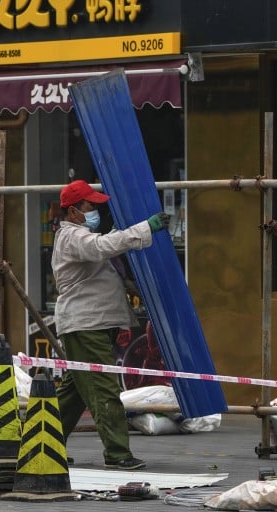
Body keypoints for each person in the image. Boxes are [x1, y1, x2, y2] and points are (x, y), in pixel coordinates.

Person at [52, 179, 169, 471]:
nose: (95, 211)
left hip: (94, 324)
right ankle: (117, 454)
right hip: (85, 325)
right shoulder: (71, 237)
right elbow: (103, 247)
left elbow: (104, 256)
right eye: (91, 206)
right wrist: (144, 228)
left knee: (75, 392)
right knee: (103, 389)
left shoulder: (82, 235)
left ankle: (39, 444)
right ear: (73, 211)